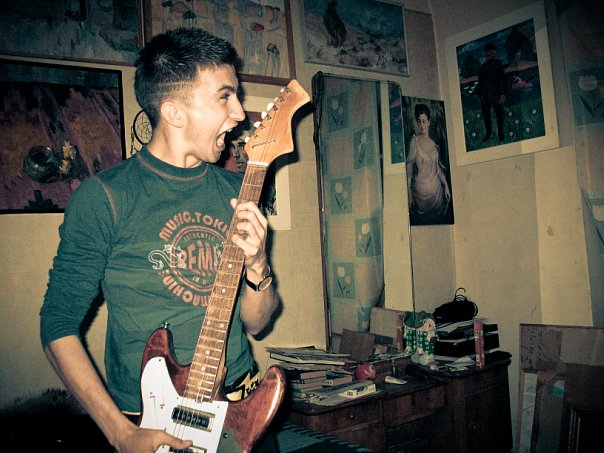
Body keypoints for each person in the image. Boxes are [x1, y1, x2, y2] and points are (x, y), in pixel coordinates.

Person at [40, 27, 279, 453]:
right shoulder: (104, 197)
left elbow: (257, 324)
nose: (239, 113)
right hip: (151, 421)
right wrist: (120, 433)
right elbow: (57, 325)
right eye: (224, 96)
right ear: (174, 112)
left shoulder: (237, 189)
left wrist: (258, 266)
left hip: (241, 415)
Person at [406, 103, 451, 225]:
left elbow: (437, 169)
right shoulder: (414, 142)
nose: (421, 125)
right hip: (420, 195)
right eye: (419, 121)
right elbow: (409, 171)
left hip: (437, 194)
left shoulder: (434, 144)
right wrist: (409, 194)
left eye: (424, 121)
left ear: (429, 122)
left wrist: (446, 185)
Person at [478, 42, 506, 142]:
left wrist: (503, 94)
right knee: (486, 116)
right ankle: (488, 133)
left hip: (496, 94)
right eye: (486, 51)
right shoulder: (483, 67)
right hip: (485, 96)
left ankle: (500, 133)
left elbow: (502, 79)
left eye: (490, 51)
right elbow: (480, 82)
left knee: (499, 115)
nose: (488, 53)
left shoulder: (498, 64)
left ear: (494, 52)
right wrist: (480, 96)